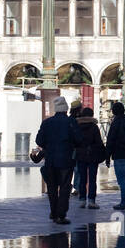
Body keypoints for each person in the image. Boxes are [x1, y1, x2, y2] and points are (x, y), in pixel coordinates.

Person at [35, 96, 82, 224]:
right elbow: (79, 140)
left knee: (52, 187)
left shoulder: (47, 122)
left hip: (50, 160)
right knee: (65, 187)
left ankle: (53, 212)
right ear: (65, 110)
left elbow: (39, 140)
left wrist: (49, 146)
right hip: (66, 160)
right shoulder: (71, 122)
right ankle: (61, 214)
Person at [75, 106, 106, 208]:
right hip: (93, 155)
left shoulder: (77, 126)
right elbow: (98, 142)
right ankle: (92, 200)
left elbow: (75, 141)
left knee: (82, 178)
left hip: (80, 155)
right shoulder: (94, 127)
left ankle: (82, 199)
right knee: (92, 179)